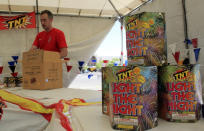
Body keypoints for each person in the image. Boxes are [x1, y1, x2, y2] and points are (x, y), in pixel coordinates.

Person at [31, 10, 69, 87]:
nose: (42, 23)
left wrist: (48, 59)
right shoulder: (39, 35)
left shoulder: (58, 33)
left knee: (56, 91)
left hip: (55, 68)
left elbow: (64, 53)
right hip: (43, 69)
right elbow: (32, 50)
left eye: (44, 20)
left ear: (51, 20)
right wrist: (28, 57)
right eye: (41, 20)